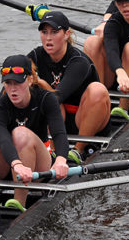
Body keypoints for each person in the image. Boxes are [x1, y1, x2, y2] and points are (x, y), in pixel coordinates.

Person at [0, 54, 71, 212]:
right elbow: (3, 141)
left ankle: (19, 203)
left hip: (39, 166)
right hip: (12, 165)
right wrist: (17, 164)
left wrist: (62, 159)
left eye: (18, 82)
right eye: (8, 83)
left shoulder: (46, 98)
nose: (13, 89)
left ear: (29, 80)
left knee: (20, 133)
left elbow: (59, 133)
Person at [27, 10, 110, 159]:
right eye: (44, 32)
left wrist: (40, 82)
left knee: (97, 89)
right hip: (59, 120)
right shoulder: (36, 55)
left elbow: (58, 96)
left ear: (66, 34)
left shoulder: (78, 61)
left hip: (84, 120)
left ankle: (77, 151)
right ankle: (50, 148)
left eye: (54, 32)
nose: (48, 38)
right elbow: (14, 78)